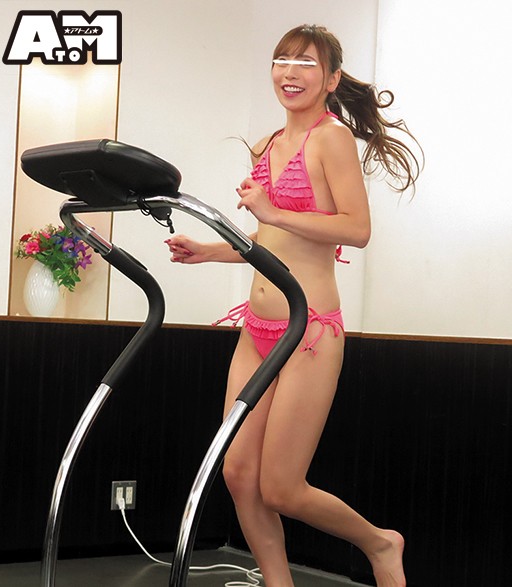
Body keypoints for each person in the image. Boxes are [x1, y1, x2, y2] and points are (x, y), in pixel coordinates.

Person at [166, 24, 421, 587]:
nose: (290, 71)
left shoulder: (332, 139)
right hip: (257, 328)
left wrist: (273, 211)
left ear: (330, 79)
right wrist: (210, 251)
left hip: (310, 331)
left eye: (305, 63)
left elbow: (356, 229)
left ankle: (381, 543)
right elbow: (271, 241)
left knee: (281, 487)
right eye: (281, 60)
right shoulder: (267, 144)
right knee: (239, 474)